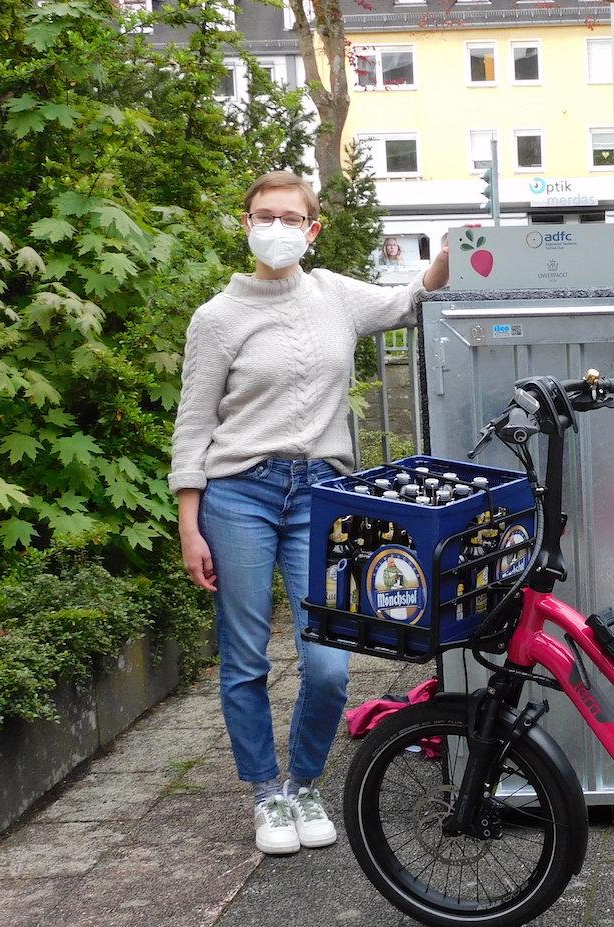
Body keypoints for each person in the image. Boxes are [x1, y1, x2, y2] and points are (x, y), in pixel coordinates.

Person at [170, 170, 450, 855]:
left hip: (319, 495)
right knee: (244, 658)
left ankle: (304, 783)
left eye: (290, 217)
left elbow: (409, 301)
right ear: (245, 224)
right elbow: (194, 422)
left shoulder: (333, 295)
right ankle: (266, 793)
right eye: (264, 214)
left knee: (327, 665)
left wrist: (453, 252)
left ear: (312, 228)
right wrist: (189, 521)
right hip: (240, 494)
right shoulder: (217, 317)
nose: (276, 226)